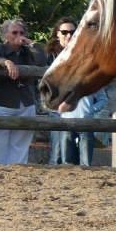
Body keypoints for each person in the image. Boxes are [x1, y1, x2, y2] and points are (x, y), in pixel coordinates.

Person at [0, 18, 46, 165]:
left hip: (26, 102)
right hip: (3, 102)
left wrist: (31, 43)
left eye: (21, 32)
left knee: (21, 144)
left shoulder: (28, 51)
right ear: (6, 35)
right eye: (14, 32)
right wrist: (5, 62)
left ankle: (17, 171)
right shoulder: (0, 49)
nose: (19, 35)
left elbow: (42, 60)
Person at [44, 17, 78, 165]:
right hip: (55, 106)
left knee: (74, 149)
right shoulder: (48, 55)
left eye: (72, 32)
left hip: (76, 106)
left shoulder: (81, 54)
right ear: (57, 34)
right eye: (64, 32)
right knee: (58, 148)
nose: (69, 35)